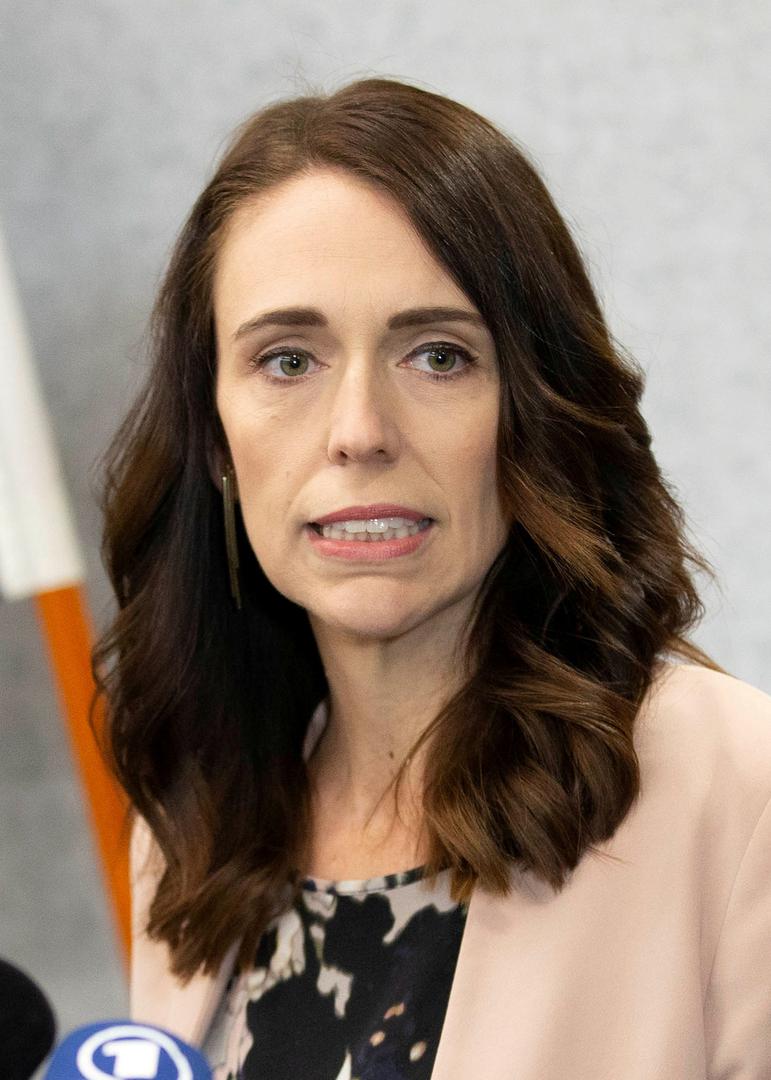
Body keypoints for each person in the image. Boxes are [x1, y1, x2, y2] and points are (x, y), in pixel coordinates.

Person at [92, 76, 771, 1079]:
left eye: (439, 356)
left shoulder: (737, 788)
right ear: (216, 438)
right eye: (288, 361)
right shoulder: (195, 816)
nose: (359, 431)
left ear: (534, 409)